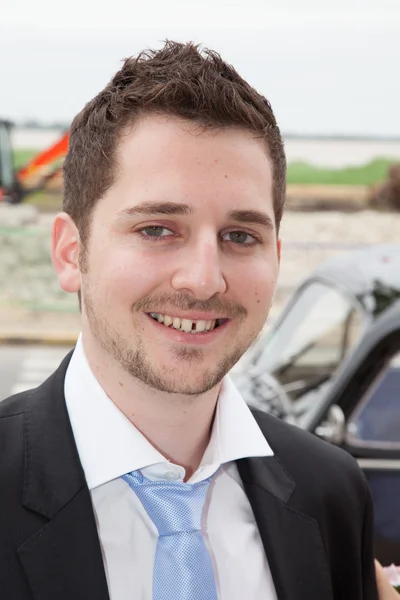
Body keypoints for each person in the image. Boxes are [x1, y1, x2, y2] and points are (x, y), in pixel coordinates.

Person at [0, 41, 378, 600]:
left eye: (240, 236)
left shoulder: (331, 493)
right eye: (157, 229)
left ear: (276, 256)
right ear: (69, 253)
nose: (204, 280)